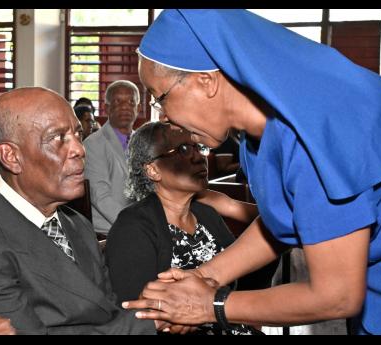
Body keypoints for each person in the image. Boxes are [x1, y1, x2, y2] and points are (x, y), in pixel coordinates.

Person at [121, 10, 381, 335]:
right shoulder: (259, 133)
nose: (165, 118)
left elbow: (337, 294)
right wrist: (203, 277)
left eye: (161, 99)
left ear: (206, 81)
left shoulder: (311, 131)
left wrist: (210, 305)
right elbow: (285, 221)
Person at [0, 87, 156, 335]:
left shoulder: (75, 222)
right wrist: (149, 322)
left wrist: (150, 310)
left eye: (77, 134)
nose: (79, 149)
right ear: (11, 156)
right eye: (58, 138)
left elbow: (107, 312)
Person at [106, 121, 267, 335]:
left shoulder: (206, 215)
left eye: (198, 147)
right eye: (182, 150)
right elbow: (138, 318)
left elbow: (245, 273)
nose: (199, 157)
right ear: (153, 170)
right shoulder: (133, 227)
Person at [84, 80, 141, 236]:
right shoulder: (93, 144)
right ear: (106, 108)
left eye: (131, 102)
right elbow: (100, 196)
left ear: (138, 108)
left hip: (140, 226)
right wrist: (135, 225)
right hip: (109, 231)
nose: (125, 107)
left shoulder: (142, 142)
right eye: (117, 101)